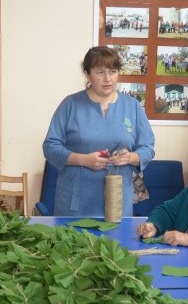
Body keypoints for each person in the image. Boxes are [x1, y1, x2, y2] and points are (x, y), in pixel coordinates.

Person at [42, 46, 156, 216]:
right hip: (76, 201)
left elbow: (148, 147)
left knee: (116, 241)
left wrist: (130, 157)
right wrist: (82, 159)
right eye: (100, 72)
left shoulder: (132, 106)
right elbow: (50, 146)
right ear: (88, 74)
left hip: (117, 199)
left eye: (113, 71)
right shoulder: (70, 104)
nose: (108, 79)